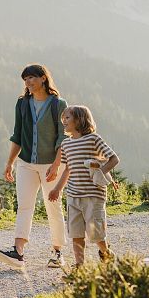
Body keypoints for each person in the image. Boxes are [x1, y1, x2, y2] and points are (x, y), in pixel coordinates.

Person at [0, 64, 68, 270]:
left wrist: (56, 164)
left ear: (43, 78)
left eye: (32, 78)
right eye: (25, 79)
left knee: (52, 205)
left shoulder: (58, 104)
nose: (28, 82)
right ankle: (18, 252)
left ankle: (57, 252)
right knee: (24, 206)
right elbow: (17, 135)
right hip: (26, 163)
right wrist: (10, 162)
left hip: (51, 164)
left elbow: (63, 137)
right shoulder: (22, 104)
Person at [48, 105, 119, 267]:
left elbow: (114, 159)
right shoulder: (66, 144)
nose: (63, 121)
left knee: (96, 233)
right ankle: (80, 266)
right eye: (63, 118)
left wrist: (101, 172)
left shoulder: (93, 139)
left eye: (67, 118)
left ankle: (105, 253)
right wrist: (57, 189)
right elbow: (67, 169)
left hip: (94, 195)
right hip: (73, 196)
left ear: (80, 119)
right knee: (76, 233)